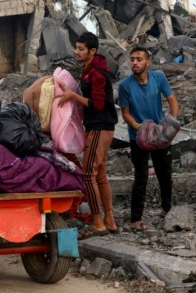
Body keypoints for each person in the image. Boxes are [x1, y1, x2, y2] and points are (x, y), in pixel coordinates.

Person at [57, 32, 119, 238]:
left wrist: (73, 96)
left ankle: (97, 221)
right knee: (100, 175)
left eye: (81, 49)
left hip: (99, 127)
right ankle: (110, 220)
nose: (77, 52)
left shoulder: (97, 74)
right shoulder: (91, 70)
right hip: (104, 127)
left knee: (88, 173)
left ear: (92, 51)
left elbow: (98, 105)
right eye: (76, 48)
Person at [118, 46, 179, 232]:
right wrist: (139, 127)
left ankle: (166, 208)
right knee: (141, 176)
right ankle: (136, 218)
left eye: (139, 59)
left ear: (147, 62)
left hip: (159, 134)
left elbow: (172, 100)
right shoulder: (125, 85)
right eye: (132, 59)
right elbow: (125, 113)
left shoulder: (158, 77)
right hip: (138, 136)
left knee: (164, 172)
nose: (134, 63)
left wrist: (171, 123)